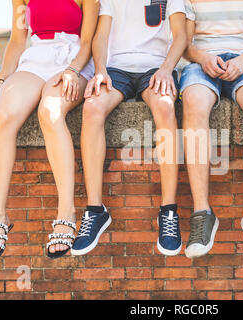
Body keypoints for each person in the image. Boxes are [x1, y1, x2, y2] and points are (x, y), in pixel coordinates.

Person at [0, 0, 98, 260]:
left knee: (50, 110)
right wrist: (1, 79)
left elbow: (89, 41)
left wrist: (72, 70)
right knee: (3, 116)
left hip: (75, 60)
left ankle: (65, 214)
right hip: (35, 60)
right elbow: (17, 40)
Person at [70, 0, 187, 256]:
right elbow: (100, 36)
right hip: (116, 68)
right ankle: (95, 210)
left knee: (166, 107)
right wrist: (100, 70)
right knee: (91, 108)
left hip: (156, 67)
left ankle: (168, 211)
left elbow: (180, 36)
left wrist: (167, 69)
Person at [180, 0, 243, 260]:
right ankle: (203, 213)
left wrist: (241, 61)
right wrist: (203, 57)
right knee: (193, 101)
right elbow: (185, 44)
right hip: (201, 65)